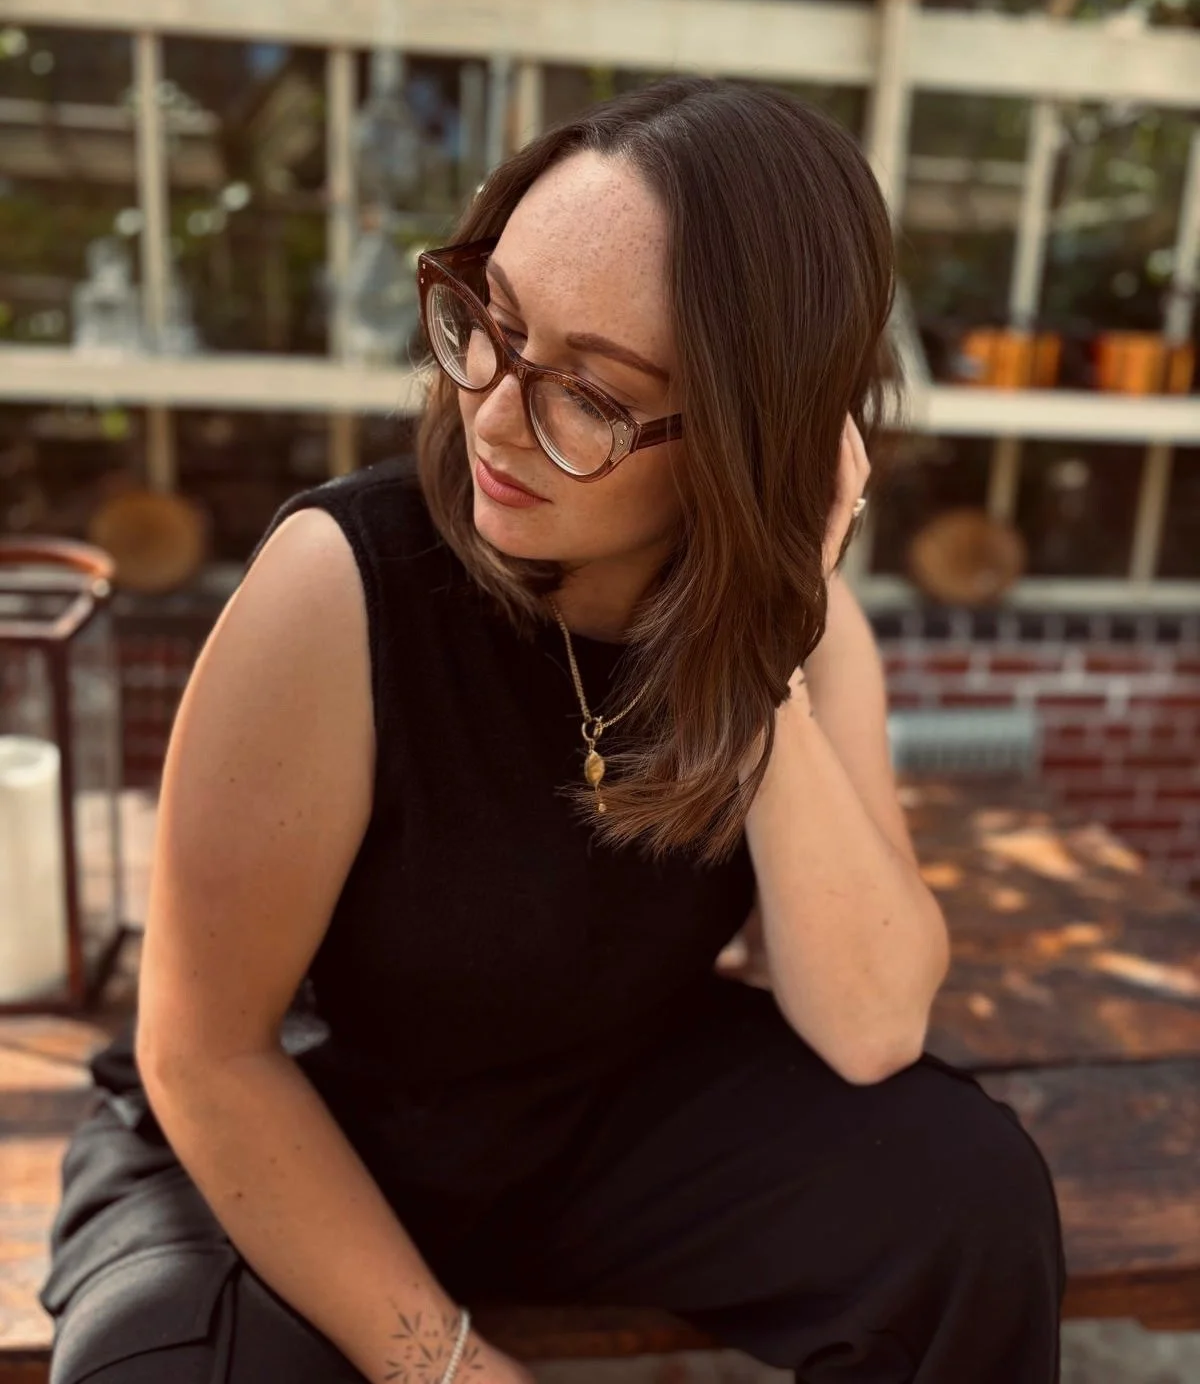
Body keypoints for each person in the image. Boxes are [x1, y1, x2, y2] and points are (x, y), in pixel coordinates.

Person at [41, 77, 1065, 1384]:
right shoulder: (338, 585)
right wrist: (453, 1367)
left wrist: (771, 649)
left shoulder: (803, 635)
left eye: (590, 390)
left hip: (594, 1123)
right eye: (493, 324)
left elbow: (868, 1023)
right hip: (292, 1132)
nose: (492, 411)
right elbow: (204, 1054)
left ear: (752, 435)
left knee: (965, 1204)